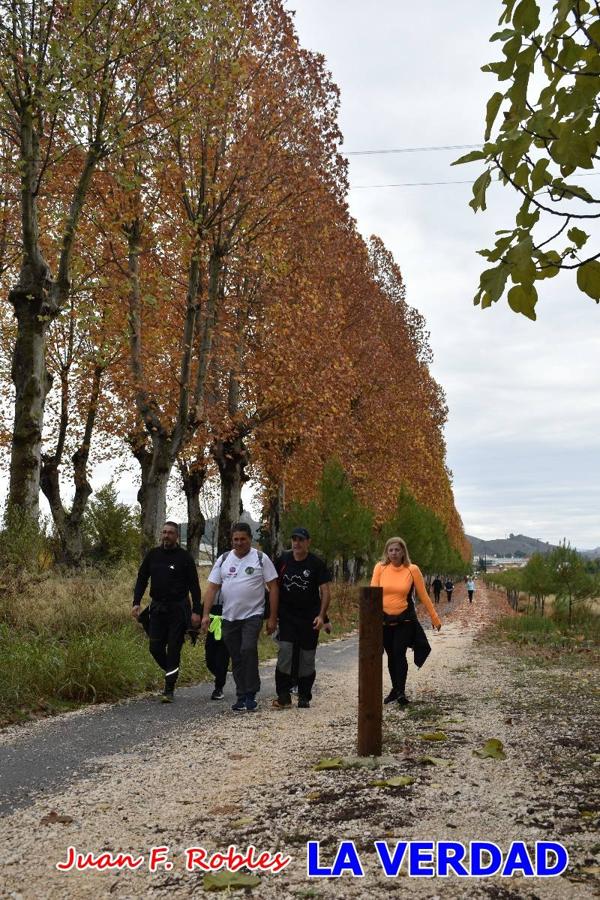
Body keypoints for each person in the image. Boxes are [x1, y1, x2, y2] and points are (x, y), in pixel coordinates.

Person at [201, 522, 278, 711]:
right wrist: (205, 614)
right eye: (235, 539)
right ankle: (241, 694)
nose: (239, 543)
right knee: (236, 656)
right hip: (229, 616)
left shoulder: (260, 558)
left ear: (250, 539)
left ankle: (251, 693)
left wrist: (273, 617)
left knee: (248, 649)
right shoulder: (224, 559)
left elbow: (274, 587)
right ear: (231, 540)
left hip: (253, 614)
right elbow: (212, 588)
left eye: (243, 539)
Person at [132, 521, 202, 703]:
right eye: (164, 532)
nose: (166, 536)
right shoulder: (153, 555)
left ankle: (169, 689)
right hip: (157, 609)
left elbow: (195, 586)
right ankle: (172, 671)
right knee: (155, 648)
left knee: (173, 649)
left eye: (170, 533)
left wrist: (196, 611)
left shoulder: (184, 557)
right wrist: (136, 602)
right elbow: (142, 578)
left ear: (177, 536)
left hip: (178, 610)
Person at [371, 536, 441, 707]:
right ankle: (395, 689)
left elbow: (423, 595)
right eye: (391, 550)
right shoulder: (380, 568)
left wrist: (434, 617)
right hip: (385, 620)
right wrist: (370, 620)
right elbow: (372, 593)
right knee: (390, 655)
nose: (394, 553)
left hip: (405, 619)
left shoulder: (412, 569)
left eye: (397, 550)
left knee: (399, 653)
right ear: (387, 552)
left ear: (403, 552)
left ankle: (401, 691)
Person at [272, 527, 331, 710]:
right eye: (294, 539)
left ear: (308, 542)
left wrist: (322, 617)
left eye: (301, 540)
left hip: (309, 618)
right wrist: (271, 616)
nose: (297, 543)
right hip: (287, 616)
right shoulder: (283, 560)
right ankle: (283, 695)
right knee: (285, 653)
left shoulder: (316, 564)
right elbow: (273, 587)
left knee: (307, 657)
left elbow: (325, 592)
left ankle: (304, 695)